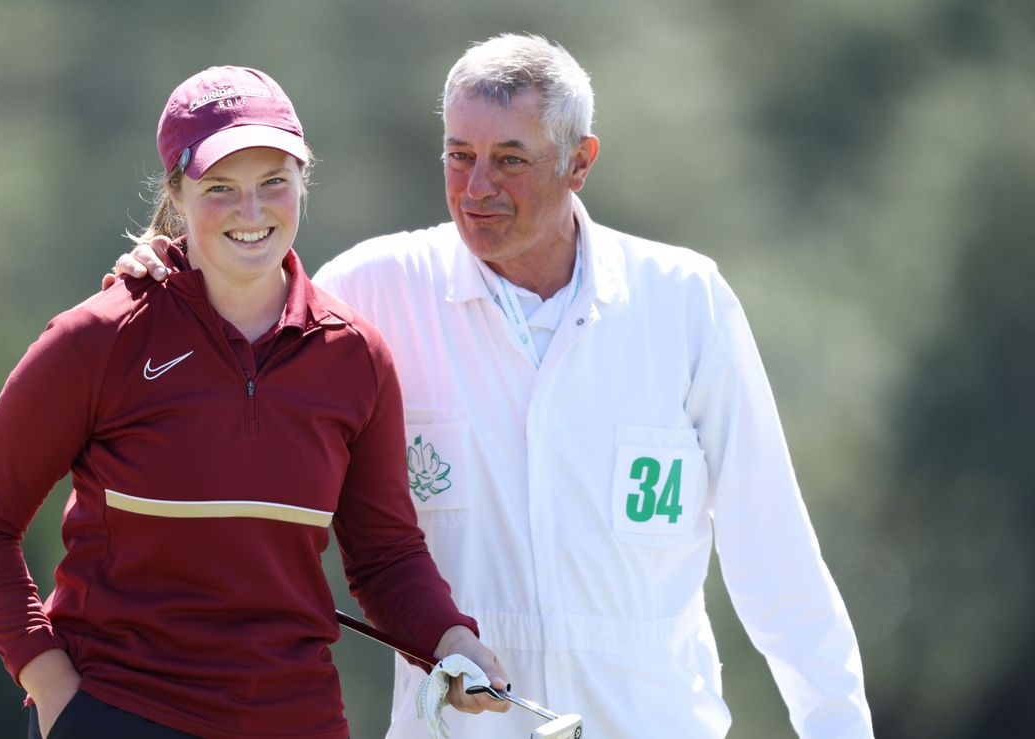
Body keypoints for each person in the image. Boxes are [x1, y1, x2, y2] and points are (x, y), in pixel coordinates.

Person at [111, 35, 876, 739]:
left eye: (510, 159)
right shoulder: (374, 290)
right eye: (458, 155)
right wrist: (164, 281)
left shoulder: (685, 301)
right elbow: (222, 343)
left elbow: (777, 563)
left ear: (579, 162)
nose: (477, 187)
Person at [0, 65, 510, 739]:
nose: (252, 210)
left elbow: (385, 556)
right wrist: (50, 682)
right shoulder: (100, 337)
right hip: (119, 714)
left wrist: (451, 642)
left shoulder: (355, 357)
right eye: (220, 188)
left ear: (303, 182)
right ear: (177, 194)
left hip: (296, 719)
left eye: (274, 182)